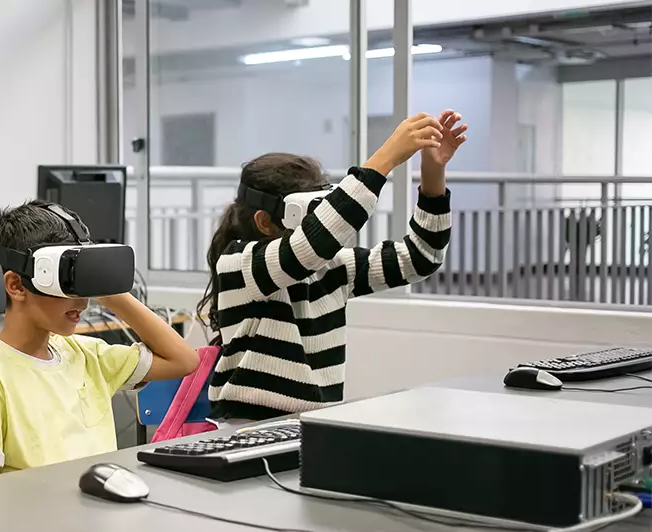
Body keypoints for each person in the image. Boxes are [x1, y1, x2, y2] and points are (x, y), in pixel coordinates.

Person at [199, 111, 467, 421]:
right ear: (265, 222)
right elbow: (307, 249)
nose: (317, 220)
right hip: (246, 426)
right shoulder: (240, 265)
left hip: (313, 426)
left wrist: (432, 173)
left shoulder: (333, 268)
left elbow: (421, 257)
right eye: (307, 213)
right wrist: (385, 158)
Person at [0, 201, 199, 477]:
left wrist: (109, 289)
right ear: (17, 285)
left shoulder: (87, 355)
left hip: (103, 509)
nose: (82, 302)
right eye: (66, 284)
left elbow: (185, 361)